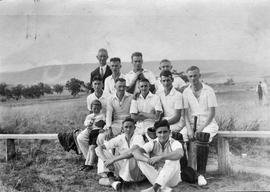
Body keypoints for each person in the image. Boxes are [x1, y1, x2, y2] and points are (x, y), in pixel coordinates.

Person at [183, 66, 219, 186]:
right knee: (178, 136)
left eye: (195, 75)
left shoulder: (209, 90)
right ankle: (185, 173)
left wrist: (200, 129)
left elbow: (212, 113)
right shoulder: (186, 91)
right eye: (190, 76)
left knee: (202, 137)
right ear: (187, 77)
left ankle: (201, 174)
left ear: (200, 75)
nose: (193, 78)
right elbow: (185, 114)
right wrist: (188, 129)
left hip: (208, 123)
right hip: (192, 124)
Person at [132, 120, 183, 192]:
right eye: (159, 132)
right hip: (156, 177)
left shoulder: (174, 143)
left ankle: (155, 188)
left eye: (165, 132)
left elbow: (180, 153)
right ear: (156, 133)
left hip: (172, 179)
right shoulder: (152, 143)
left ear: (169, 132)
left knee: (172, 159)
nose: (162, 135)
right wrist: (149, 160)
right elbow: (136, 153)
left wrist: (160, 157)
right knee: (141, 158)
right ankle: (161, 188)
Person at [95, 118, 145, 191]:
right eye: (126, 127)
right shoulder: (120, 137)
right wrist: (106, 161)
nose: (128, 129)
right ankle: (111, 176)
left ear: (134, 128)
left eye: (130, 127)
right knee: (102, 152)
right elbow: (98, 148)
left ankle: (114, 181)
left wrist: (112, 160)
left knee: (131, 157)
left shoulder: (138, 137)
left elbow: (130, 153)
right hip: (121, 165)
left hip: (135, 168)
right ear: (122, 128)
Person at [157, 70, 188, 142]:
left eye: (168, 80)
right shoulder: (158, 94)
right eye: (164, 81)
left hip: (176, 122)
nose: (166, 83)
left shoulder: (178, 95)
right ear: (160, 81)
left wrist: (162, 124)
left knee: (163, 132)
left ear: (172, 80)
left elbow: (177, 117)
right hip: (164, 121)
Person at [77, 100, 106, 171]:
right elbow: (86, 124)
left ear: (100, 108)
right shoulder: (89, 116)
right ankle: (86, 163)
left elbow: (106, 123)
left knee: (92, 147)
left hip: (98, 132)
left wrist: (104, 128)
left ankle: (90, 164)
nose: (96, 110)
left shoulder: (102, 115)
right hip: (92, 132)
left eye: (97, 108)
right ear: (91, 108)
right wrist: (90, 122)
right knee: (90, 148)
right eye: (94, 108)